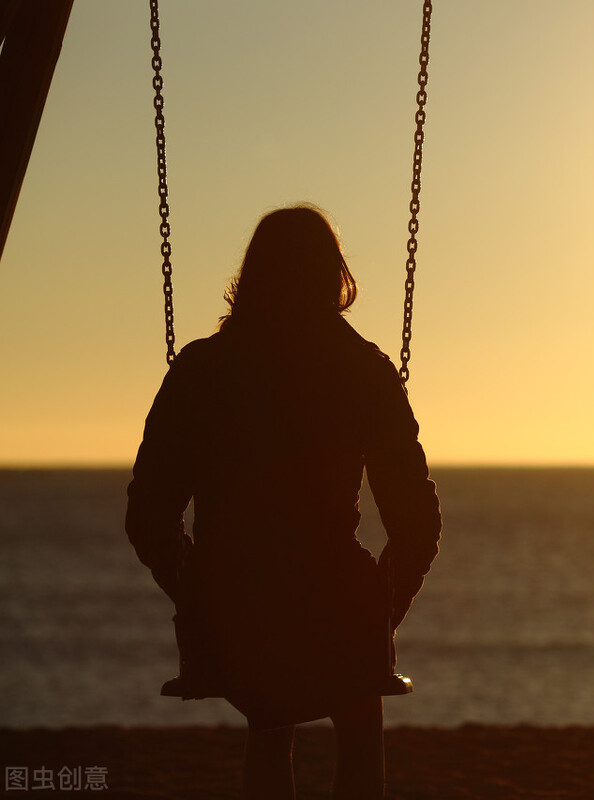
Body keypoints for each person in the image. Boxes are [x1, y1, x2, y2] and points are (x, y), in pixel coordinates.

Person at [125, 204, 441, 800]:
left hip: (235, 606)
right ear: (334, 278)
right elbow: (417, 522)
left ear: (253, 275)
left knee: (269, 717)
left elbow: (148, 514)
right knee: (358, 712)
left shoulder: (203, 368)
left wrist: (198, 591)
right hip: (335, 609)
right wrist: (379, 610)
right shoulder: (362, 371)